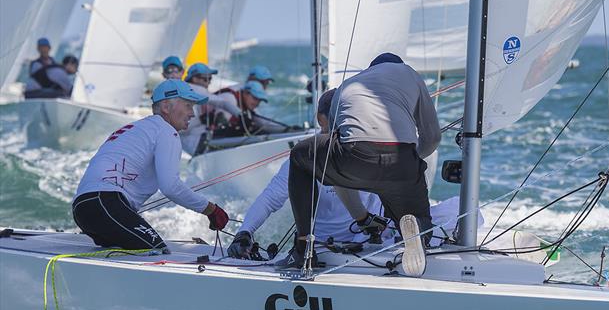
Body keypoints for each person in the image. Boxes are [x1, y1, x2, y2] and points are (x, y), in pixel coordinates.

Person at [284, 53, 440, 274]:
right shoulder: (409, 74)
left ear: (371, 69)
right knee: (416, 215)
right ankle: (418, 236)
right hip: (401, 160)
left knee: (299, 156)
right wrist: (411, 161)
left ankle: (303, 248)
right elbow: (432, 137)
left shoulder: (347, 86)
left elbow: (334, 164)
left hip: (354, 158)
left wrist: (362, 217)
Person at [72, 79, 230, 250]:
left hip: (82, 208)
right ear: (166, 107)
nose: (192, 113)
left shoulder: (136, 128)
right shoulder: (165, 130)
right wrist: (210, 210)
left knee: (129, 254)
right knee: (158, 252)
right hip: (107, 203)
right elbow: (170, 187)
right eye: (188, 105)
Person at [228, 89, 385, 260]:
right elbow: (270, 198)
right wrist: (245, 232)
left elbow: (379, 205)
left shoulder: (368, 154)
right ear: (320, 119)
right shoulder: (304, 156)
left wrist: (357, 247)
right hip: (318, 248)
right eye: (336, 117)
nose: (341, 124)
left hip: (365, 248)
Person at [180, 62, 241, 154]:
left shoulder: (184, 90)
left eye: (210, 79)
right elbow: (223, 103)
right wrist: (242, 115)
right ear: (195, 79)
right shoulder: (194, 88)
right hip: (196, 143)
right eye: (206, 79)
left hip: (190, 143)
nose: (209, 82)